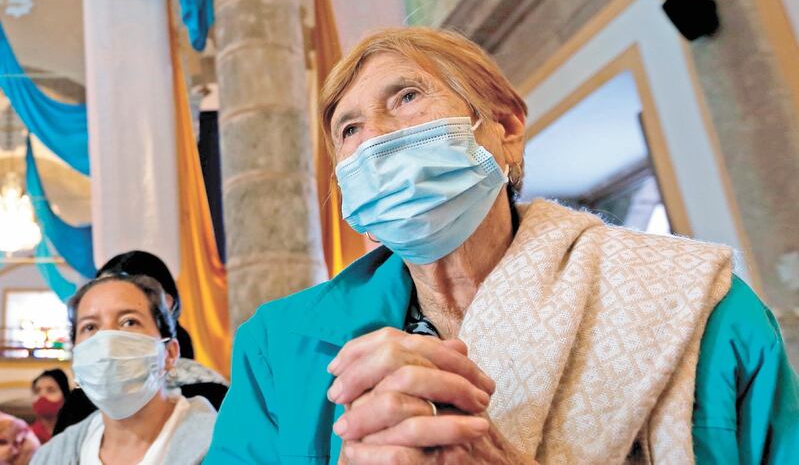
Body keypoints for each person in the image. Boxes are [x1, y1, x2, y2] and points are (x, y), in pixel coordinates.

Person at [206, 27, 799, 464]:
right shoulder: (278, 345)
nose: (374, 141)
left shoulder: (693, 305)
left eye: (407, 96)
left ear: (506, 128)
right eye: (349, 128)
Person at [32, 274, 216, 464]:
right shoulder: (50, 458)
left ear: (169, 353)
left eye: (129, 322)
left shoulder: (220, 447)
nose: (106, 343)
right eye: (90, 327)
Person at [53, 251, 228, 435]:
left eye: (128, 321)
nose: (106, 337)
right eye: (91, 326)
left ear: (165, 305)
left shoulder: (212, 397)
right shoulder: (80, 404)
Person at [29, 369, 69, 444]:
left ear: (65, 398)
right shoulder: (27, 437)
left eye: (51, 390)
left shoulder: (78, 433)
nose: (42, 395)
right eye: (37, 391)